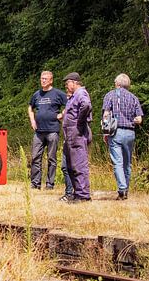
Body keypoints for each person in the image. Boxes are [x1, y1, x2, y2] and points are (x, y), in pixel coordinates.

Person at [102, 73, 143, 200]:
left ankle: (122, 189)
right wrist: (131, 119)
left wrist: (106, 132)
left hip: (116, 132)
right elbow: (139, 119)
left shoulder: (110, 95)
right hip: (130, 133)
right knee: (127, 163)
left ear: (117, 84)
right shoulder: (134, 98)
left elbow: (106, 115)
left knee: (118, 163)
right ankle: (126, 190)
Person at [28, 71, 67, 190]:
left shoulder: (58, 93)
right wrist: (32, 120)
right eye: (42, 78)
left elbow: (70, 104)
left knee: (51, 158)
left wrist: (62, 114)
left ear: (51, 80)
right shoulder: (37, 94)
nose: (43, 80)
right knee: (35, 157)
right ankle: (35, 183)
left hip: (52, 130)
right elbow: (30, 107)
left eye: (46, 79)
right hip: (38, 132)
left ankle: (50, 184)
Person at [60, 72, 92, 202]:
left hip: (77, 133)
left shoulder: (80, 93)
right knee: (69, 166)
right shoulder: (74, 96)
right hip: (71, 135)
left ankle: (83, 195)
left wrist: (80, 121)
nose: (66, 86)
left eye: (67, 83)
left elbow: (86, 105)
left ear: (74, 82)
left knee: (79, 165)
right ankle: (77, 192)